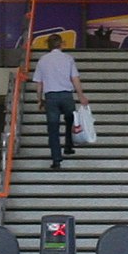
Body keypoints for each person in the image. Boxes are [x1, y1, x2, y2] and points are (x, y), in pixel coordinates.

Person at [33, 42, 84, 170]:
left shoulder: (42, 60)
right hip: (67, 96)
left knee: (53, 130)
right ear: (61, 45)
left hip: (51, 98)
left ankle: (56, 160)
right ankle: (68, 146)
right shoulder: (68, 58)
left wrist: (39, 100)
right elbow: (75, 78)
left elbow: (39, 83)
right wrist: (81, 96)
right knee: (70, 121)